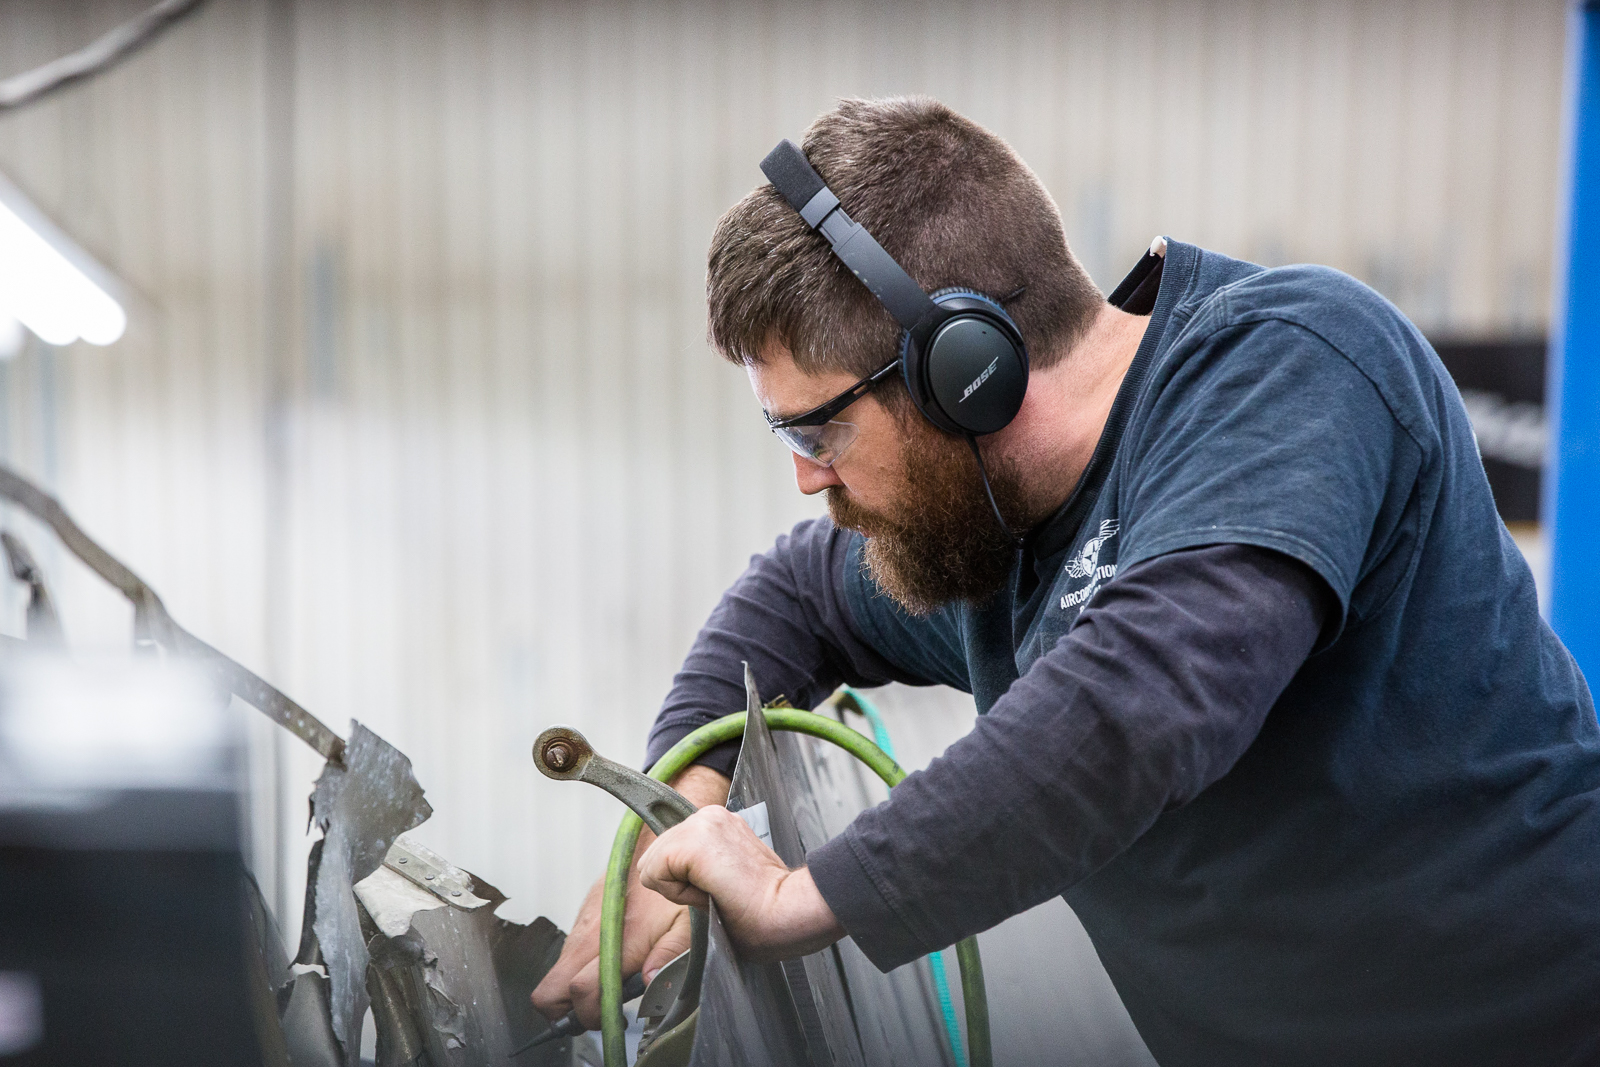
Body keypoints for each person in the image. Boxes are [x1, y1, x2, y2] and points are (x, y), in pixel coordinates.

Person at [532, 96, 1600, 1066]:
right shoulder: (983, 530)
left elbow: (1144, 697)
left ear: (963, 372)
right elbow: (795, 596)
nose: (807, 475)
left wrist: (799, 894)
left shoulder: (1293, 363)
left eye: (819, 426)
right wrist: (679, 819)